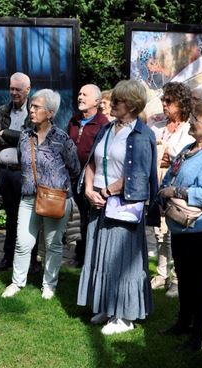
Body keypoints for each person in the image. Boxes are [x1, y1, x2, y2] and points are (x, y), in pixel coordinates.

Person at [77, 80, 158, 335]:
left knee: (122, 259)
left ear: (132, 105)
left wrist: (106, 191)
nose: (111, 104)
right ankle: (106, 305)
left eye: (118, 101)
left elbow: (138, 174)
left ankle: (124, 316)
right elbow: (92, 162)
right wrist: (89, 190)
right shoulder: (107, 128)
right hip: (98, 202)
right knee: (101, 255)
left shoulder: (142, 135)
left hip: (122, 205)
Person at [158, 100, 202, 350]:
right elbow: (171, 174)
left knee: (197, 283)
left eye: (196, 119)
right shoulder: (190, 148)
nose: (190, 121)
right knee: (184, 278)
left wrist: (176, 192)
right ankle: (183, 322)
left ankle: (199, 334)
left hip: (201, 230)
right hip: (181, 227)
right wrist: (164, 192)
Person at [1, 89, 80, 300]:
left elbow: (74, 168)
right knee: (23, 242)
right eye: (32, 106)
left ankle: (49, 285)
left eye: (37, 107)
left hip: (55, 198)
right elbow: (23, 162)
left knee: (53, 244)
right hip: (29, 198)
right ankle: (17, 282)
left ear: (50, 112)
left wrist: (57, 184)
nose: (31, 110)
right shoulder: (24, 136)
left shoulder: (62, 139)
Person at [0, 72, 39, 274]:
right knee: (11, 217)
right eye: (11, 88)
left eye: (18, 89)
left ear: (28, 89)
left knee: (29, 217)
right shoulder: (1, 111)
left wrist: (6, 133)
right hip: (5, 173)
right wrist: (15, 139)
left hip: (25, 173)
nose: (14, 93)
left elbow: (32, 139)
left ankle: (32, 260)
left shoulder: (35, 111)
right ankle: (8, 257)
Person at [149, 82, 195, 296]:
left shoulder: (188, 128)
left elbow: (186, 155)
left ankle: (177, 278)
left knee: (174, 231)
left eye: (169, 101)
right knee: (159, 232)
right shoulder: (158, 126)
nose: (164, 104)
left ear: (181, 103)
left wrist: (169, 153)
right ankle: (161, 274)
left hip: (177, 186)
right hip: (158, 184)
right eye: (163, 100)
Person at [67, 84, 110, 267]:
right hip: (72, 176)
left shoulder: (103, 124)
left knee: (88, 217)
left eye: (85, 95)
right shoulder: (74, 120)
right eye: (79, 93)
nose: (80, 97)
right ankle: (79, 253)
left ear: (96, 101)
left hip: (92, 178)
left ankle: (87, 256)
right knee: (77, 217)